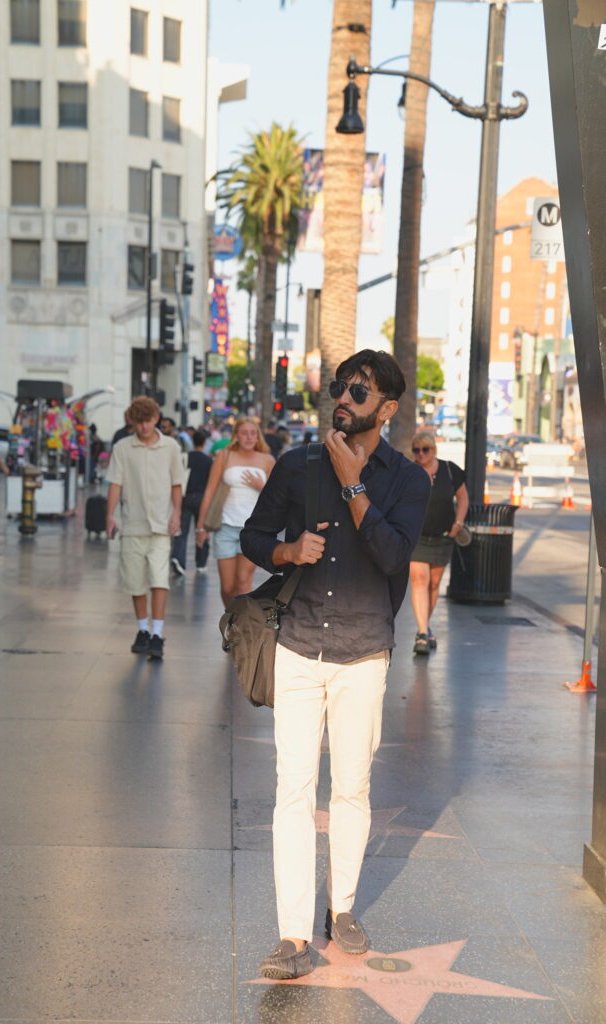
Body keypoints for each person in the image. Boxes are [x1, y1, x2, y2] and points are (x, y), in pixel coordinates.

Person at [240, 349, 430, 981]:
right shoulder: (296, 466)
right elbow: (252, 539)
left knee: (350, 789)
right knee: (292, 791)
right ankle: (292, 934)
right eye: (341, 386)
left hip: (363, 655)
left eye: (359, 390)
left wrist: (353, 486)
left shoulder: (408, 481)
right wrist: (287, 550)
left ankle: (341, 909)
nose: (343, 396)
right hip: (297, 648)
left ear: (388, 408)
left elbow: (391, 555)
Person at [106, 396, 184, 660]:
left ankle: (157, 634)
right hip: (133, 524)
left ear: (156, 419)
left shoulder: (171, 447)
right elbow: (115, 483)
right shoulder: (122, 448)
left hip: (161, 525)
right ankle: (142, 629)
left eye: (148, 421)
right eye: (139, 422)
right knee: (135, 581)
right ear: (133, 421)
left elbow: (177, 483)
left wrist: (177, 514)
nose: (144, 427)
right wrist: (110, 515)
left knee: (160, 580)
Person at [196, 417, 275, 607]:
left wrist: (260, 486)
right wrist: (201, 527)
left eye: (253, 433)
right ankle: (230, 619)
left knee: (243, 583)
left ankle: (239, 629)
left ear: (258, 436)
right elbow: (210, 490)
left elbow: (275, 497)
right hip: (225, 527)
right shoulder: (224, 456)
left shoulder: (268, 460)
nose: (249, 437)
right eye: (244, 433)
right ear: (236, 436)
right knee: (227, 587)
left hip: (253, 530)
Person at [409, 429, 469, 655]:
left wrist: (459, 522)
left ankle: (424, 625)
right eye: (416, 450)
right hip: (416, 537)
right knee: (419, 580)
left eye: (426, 449)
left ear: (434, 449)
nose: (421, 454)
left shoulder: (450, 470)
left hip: (443, 536)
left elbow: (463, 497)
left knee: (434, 585)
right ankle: (423, 634)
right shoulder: (410, 471)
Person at [170, 429, 212, 576]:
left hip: (185, 496)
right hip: (202, 498)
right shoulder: (208, 460)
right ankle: (201, 563)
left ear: (193, 441)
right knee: (201, 529)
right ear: (204, 442)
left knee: (182, 531)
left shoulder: (185, 457)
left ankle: (178, 559)